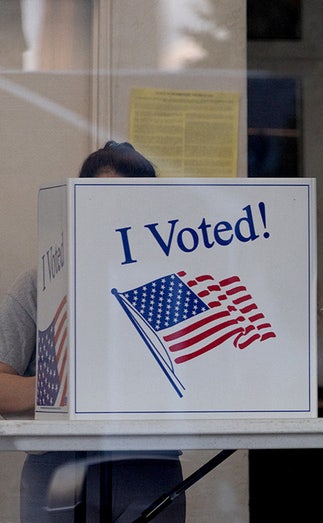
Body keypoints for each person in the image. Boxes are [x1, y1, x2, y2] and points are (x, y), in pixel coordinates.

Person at [0, 141, 185, 522]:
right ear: (77, 205)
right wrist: (73, 388)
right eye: (102, 202)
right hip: (56, 462)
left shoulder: (173, 285)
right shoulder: (40, 283)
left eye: (132, 205)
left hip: (150, 462)